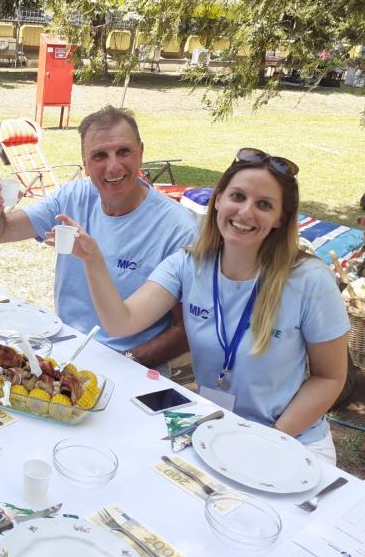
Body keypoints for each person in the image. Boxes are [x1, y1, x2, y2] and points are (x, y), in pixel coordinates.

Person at [60, 148, 348, 463]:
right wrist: (93, 261)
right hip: (214, 427)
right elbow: (121, 322)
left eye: (264, 204)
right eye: (238, 197)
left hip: (289, 438)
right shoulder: (188, 263)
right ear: (218, 200)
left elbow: (329, 378)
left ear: (281, 218)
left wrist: (269, 438)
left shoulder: (309, 280)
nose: (245, 212)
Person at [0, 105, 198, 371]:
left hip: (132, 367)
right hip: (64, 352)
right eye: (100, 155)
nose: (113, 166)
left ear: (141, 153)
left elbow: (187, 329)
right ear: (85, 163)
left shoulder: (178, 228)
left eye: (123, 151)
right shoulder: (72, 197)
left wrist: (127, 361)